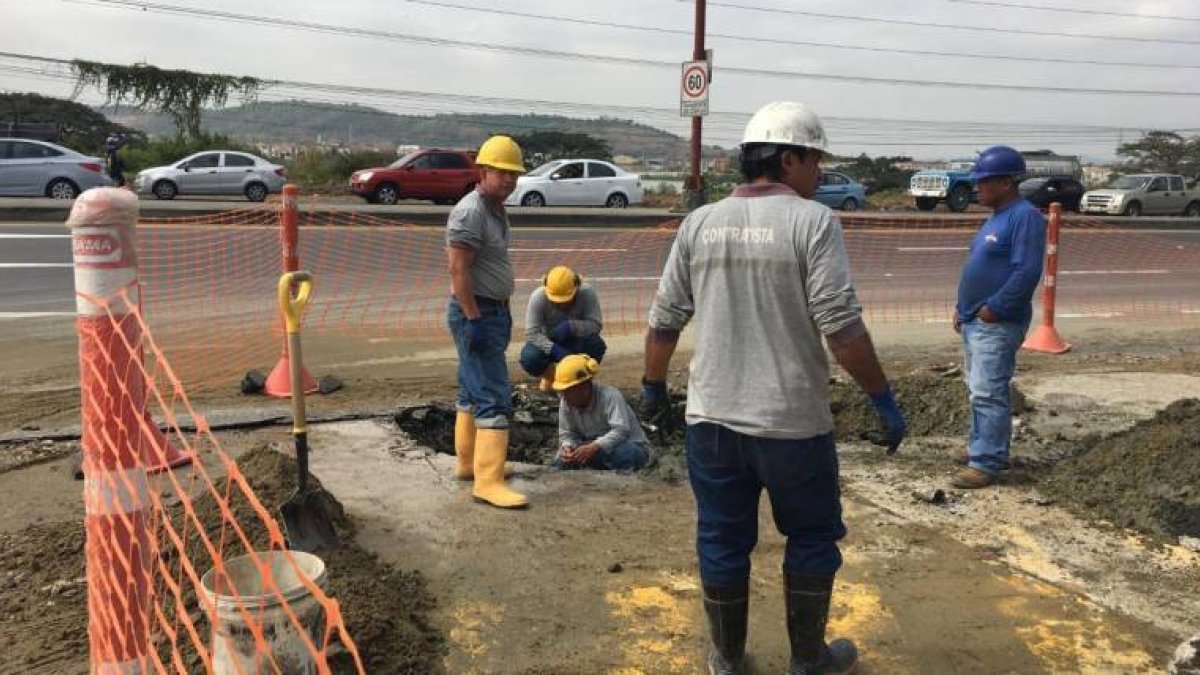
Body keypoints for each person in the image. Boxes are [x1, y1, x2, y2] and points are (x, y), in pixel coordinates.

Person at [640, 101, 907, 675]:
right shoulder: (813, 223)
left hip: (711, 423)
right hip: (792, 426)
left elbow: (663, 320)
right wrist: (882, 399)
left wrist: (653, 388)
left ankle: (728, 661)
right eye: (815, 160)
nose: (819, 173)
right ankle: (808, 661)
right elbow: (842, 328)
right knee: (811, 536)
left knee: (721, 540)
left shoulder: (699, 223)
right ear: (789, 158)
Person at [952, 145, 1046, 490]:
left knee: (988, 391)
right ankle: (983, 446)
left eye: (983, 181)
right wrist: (962, 309)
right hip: (976, 320)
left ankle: (987, 460)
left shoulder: (1025, 217)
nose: (977, 187)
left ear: (1005, 182)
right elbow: (982, 267)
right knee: (977, 388)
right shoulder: (996, 217)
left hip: (996, 322)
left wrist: (995, 309)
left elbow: (1026, 272)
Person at [445, 135, 528, 509]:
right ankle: (488, 480)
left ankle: (468, 464)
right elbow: (458, 269)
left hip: (490, 310)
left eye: (514, 174)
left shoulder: (494, 208)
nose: (509, 180)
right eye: (501, 172)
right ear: (483, 171)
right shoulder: (471, 212)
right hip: (476, 312)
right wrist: (474, 318)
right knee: (493, 394)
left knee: (470, 390)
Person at [553, 354, 649, 471]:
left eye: (568, 391)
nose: (564, 396)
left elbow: (621, 431)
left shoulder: (610, 396)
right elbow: (567, 433)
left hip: (625, 446)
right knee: (561, 460)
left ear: (583, 388)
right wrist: (567, 446)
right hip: (591, 448)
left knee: (628, 454)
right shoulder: (566, 402)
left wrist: (595, 446)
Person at [519, 265, 606, 391]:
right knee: (530, 358)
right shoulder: (538, 297)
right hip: (549, 341)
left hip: (576, 340)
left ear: (576, 288)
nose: (562, 304)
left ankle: (580, 383)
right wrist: (554, 349)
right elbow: (532, 333)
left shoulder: (587, 293)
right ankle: (552, 379)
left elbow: (596, 324)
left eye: (566, 300)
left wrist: (573, 326)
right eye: (556, 301)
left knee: (596, 345)